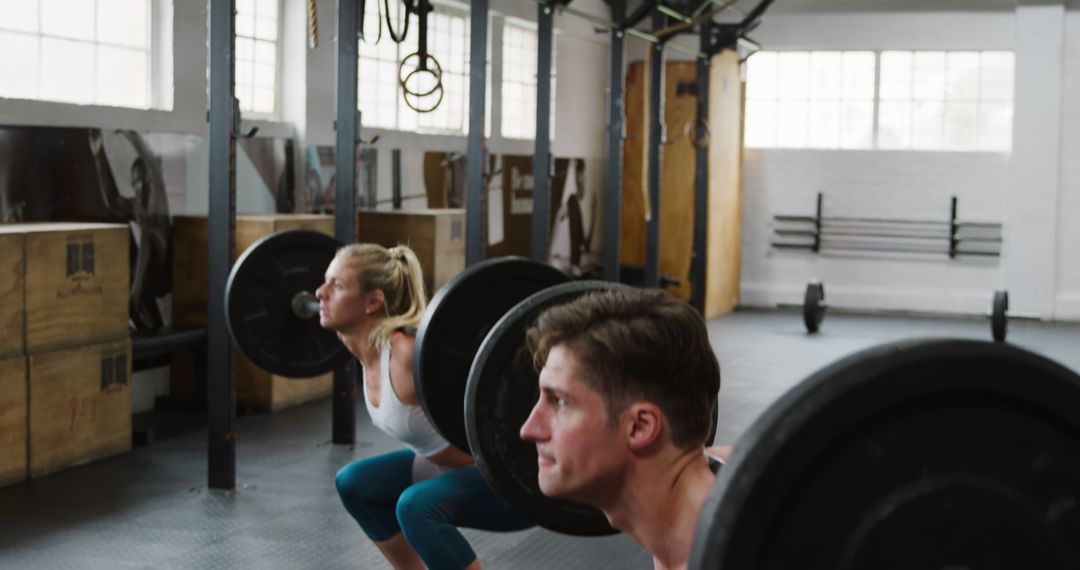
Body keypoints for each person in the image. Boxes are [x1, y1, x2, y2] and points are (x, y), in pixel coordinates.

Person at [318, 243, 534, 570]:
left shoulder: (406, 355)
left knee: (415, 507)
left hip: (507, 481)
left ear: (372, 302)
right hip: (444, 468)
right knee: (354, 483)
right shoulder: (367, 353)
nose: (320, 293)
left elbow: (501, 399)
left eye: (337, 286)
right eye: (325, 281)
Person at [519, 288, 729, 570]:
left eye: (560, 402)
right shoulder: (708, 483)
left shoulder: (727, 553)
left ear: (640, 427)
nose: (528, 429)